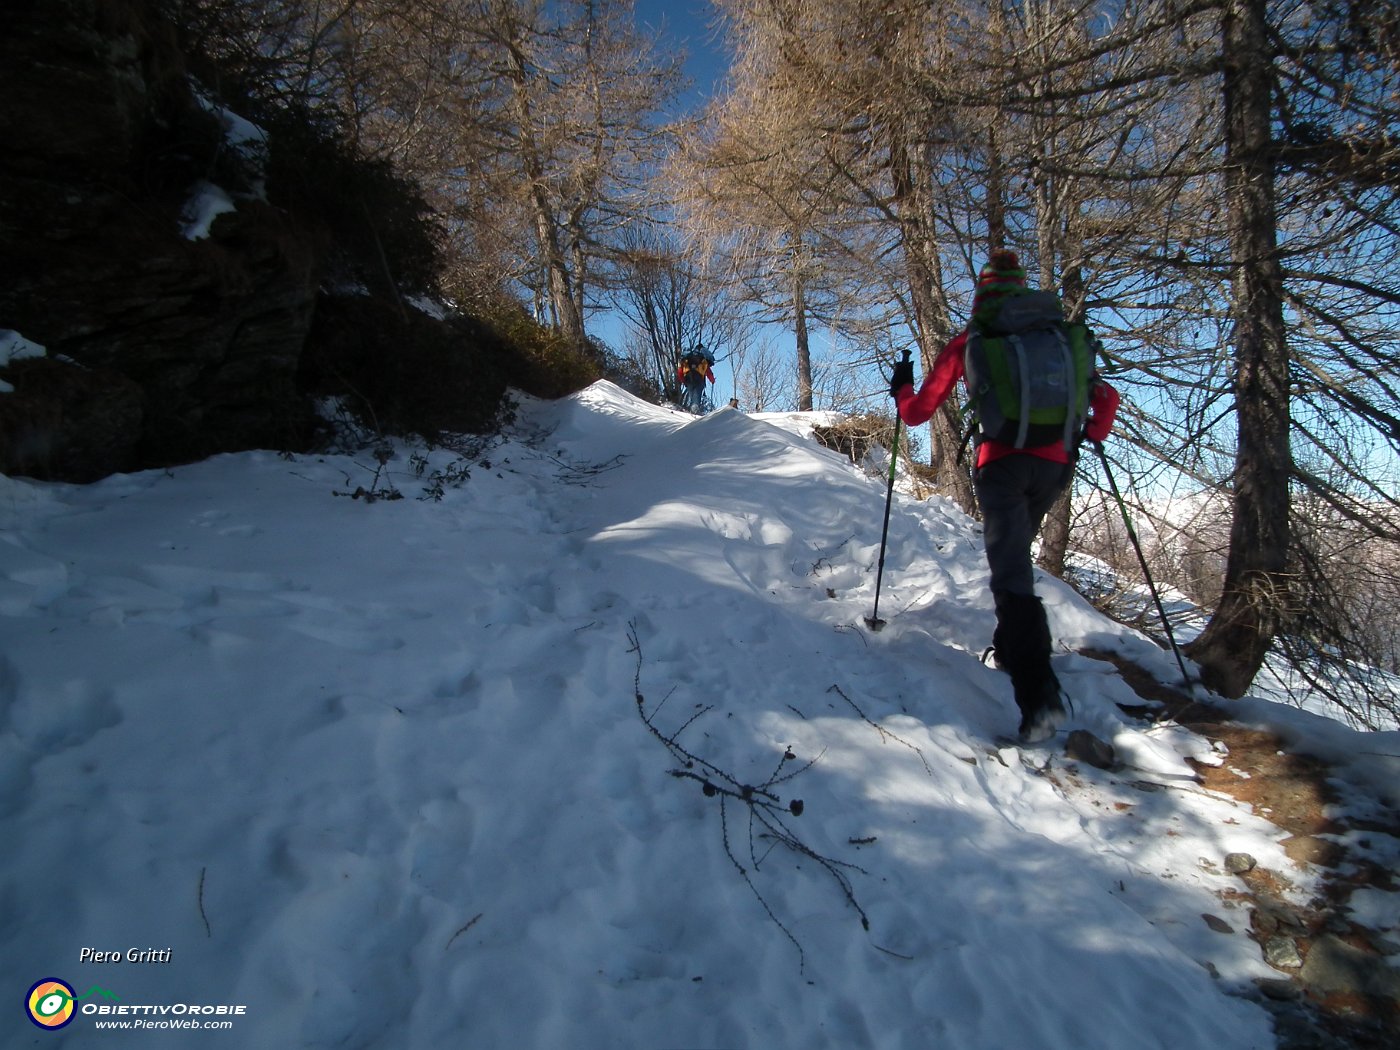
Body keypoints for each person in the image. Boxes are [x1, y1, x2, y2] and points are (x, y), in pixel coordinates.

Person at [889, 250, 1120, 742]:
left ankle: (1039, 699)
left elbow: (916, 413)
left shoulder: (973, 340)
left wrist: (902, 388)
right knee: (1015, 559)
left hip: (1002, 465)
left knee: (1011, 570)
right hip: (1056, 464)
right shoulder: (1057, 335)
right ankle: (1011, 649)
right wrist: (1090, 432)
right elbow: (1105, 402)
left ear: (984, 293)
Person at [677, 344, 716, 414]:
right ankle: (694, 415)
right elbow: (708, 372)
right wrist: (712, 380)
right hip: (699, 380)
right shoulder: (703, 359)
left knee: (692, 398)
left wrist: (683, 381)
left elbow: (680, 371)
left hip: (688, 379)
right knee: (696, 399)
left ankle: (691, 413)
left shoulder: (687, 358)